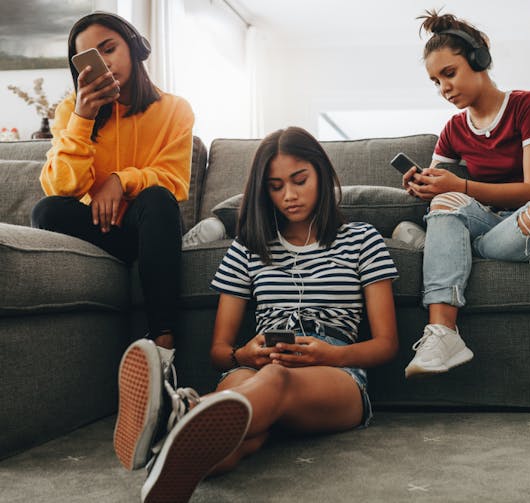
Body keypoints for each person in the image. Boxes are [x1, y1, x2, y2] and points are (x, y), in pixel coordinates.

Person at [113, 127, 399, 502]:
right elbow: (220, 352)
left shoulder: (362, 239)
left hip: (337, 372)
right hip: (258, 366)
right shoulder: (249, 247)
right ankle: (166, 467)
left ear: (322, 174)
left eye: (300, 180)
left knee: (274, 380)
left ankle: (174, 413)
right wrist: (244, 354)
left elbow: (386, 344)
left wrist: (330, 354)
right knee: (236, 435)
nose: (290, 196)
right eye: (276, 186)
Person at [402, 11, 530, 378]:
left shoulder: (528, 106)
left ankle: (444, 250)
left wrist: (457, 187)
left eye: (449, 73)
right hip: (499, 226)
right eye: (435, 81)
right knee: (443, 203)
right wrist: (423, 186)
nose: (444, 88)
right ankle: (443, 333)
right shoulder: (454, 129)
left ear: (479, 59)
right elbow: (443, 195)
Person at [31, 12, 194, 352]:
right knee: (46, 210)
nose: (103, 65)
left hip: (151, 228)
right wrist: (83, 119)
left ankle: (163, 343)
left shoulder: (175, 110)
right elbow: (61, 187)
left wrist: (121, 180)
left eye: (109, 49)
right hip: (101, 230)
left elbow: (174, 180)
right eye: (90, 59)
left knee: (157, 198)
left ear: (133, 47)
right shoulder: (71, 111)